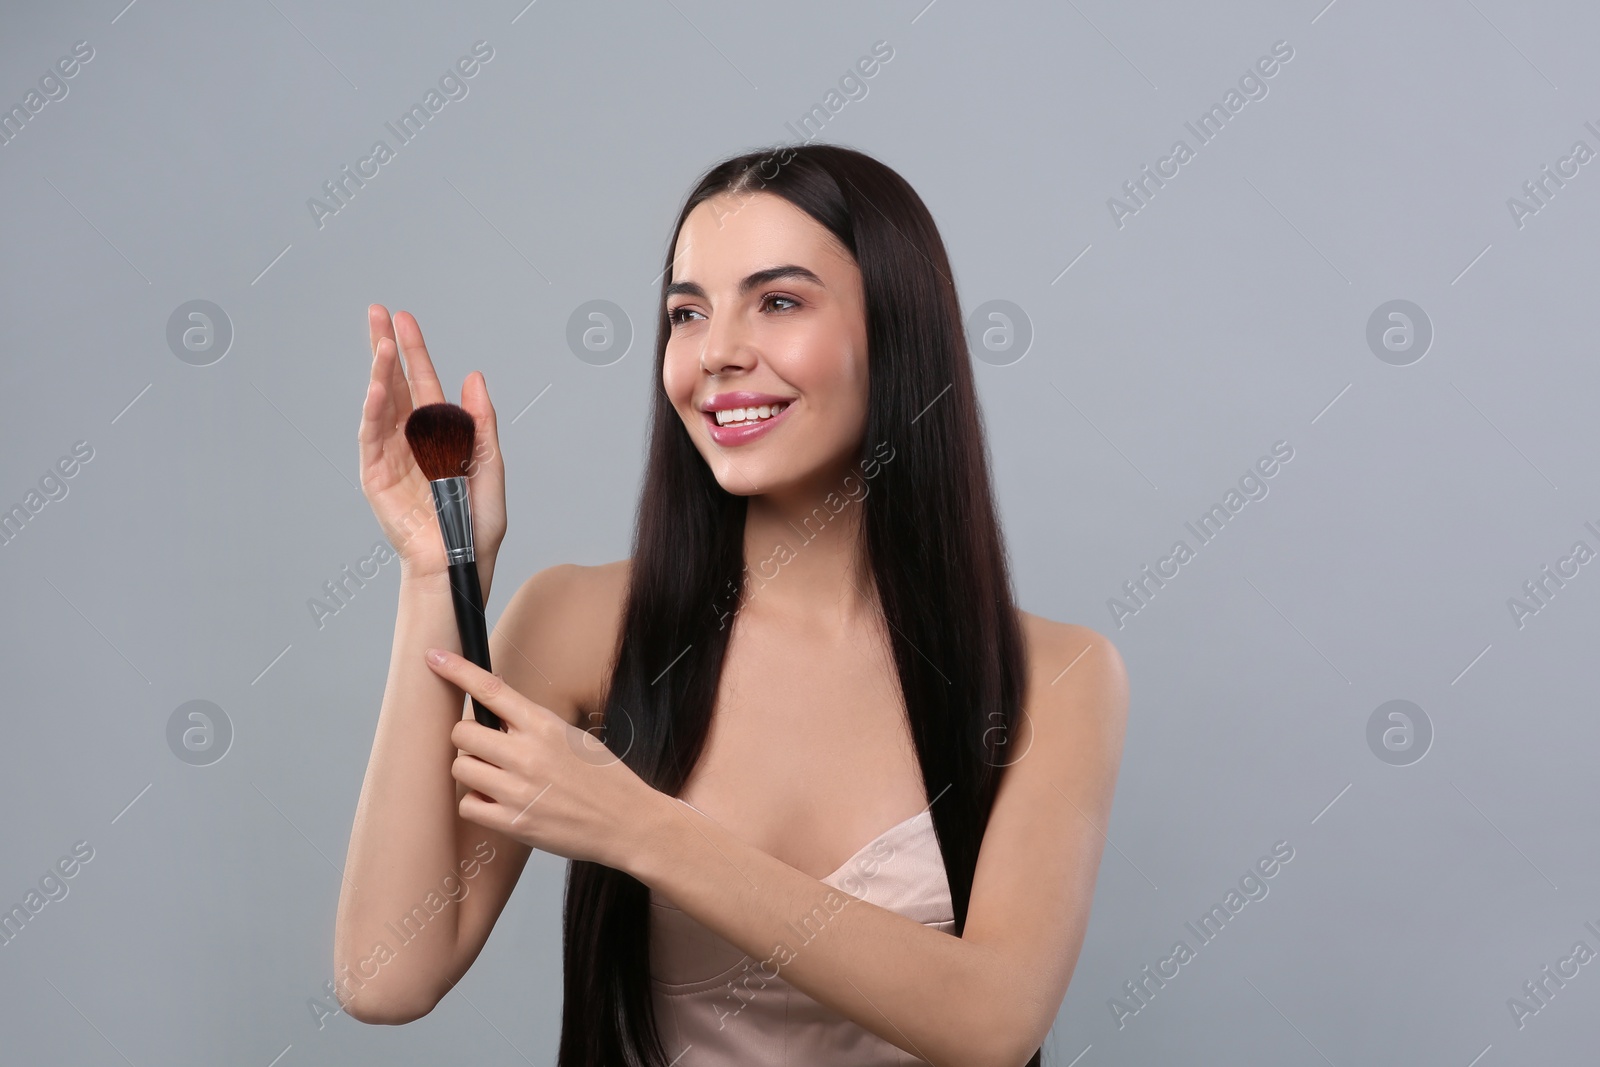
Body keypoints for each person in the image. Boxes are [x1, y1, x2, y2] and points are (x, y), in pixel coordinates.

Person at [335, 142, 1129, 1067]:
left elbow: (992, 1021)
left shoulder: (1059, 678)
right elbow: (384, 976)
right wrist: (438, 576)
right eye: (687, 312)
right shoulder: (580, 625)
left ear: (897, 329)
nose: (716, 353)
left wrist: (635, 824)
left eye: (779, 301)